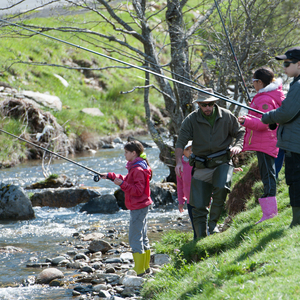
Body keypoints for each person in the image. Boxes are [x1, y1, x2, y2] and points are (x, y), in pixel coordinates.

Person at [175, 88, 245, 239]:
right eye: (203, 104)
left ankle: (212, 225)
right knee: (198, 206)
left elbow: (240, 132)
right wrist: (179, 162)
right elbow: (180, 141)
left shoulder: (226, 116)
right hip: (201, 164)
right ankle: (199, 239)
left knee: (221, 187)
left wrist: (238, 146)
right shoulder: (191, 119)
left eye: (210, 104)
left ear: (214, 103)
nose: (207, 108)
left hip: (223, 161)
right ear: (198, 104)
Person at [238, 67, 285, 224]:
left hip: (266, 141)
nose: (252, 85)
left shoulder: (265, 99)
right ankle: (268, 212)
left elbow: (266, 123)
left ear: (259, 82)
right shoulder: (267, 95)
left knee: (268, 175)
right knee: (268, 173)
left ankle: (270, 213)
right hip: (266, 141)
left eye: (253, 81)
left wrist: (245, 121)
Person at [99, 141, 152, 275]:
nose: (124, 154)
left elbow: (138, 190)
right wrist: (110, 176)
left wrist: (122, 184)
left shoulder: (138, 169)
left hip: (138, 206)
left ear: (134, 153)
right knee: (142, 236)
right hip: (141, 206)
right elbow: (127, 180)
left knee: (135, 238)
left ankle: (139, 270)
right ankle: (145, 268)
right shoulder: (136, 166)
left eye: (126, 152)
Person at [261, 47, 300, 228]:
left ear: (299, 64)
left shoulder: (299, 86)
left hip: (296, 145)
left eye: (287, 63)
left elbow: (286, 113)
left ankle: (296, 222)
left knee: (295, 180)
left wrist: (268, 117)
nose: (283, 68)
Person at [176, 140, 197, 240]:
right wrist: (181, 201)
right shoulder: (180, 166)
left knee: (203, 218)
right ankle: (197, 239)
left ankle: (208, 235)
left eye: (192, 148)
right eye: (187, 149)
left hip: (202, 196)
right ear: (182, 152)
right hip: (189, 200)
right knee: (194, 222)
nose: (190, 151)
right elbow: (180, 185)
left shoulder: (199, 161)